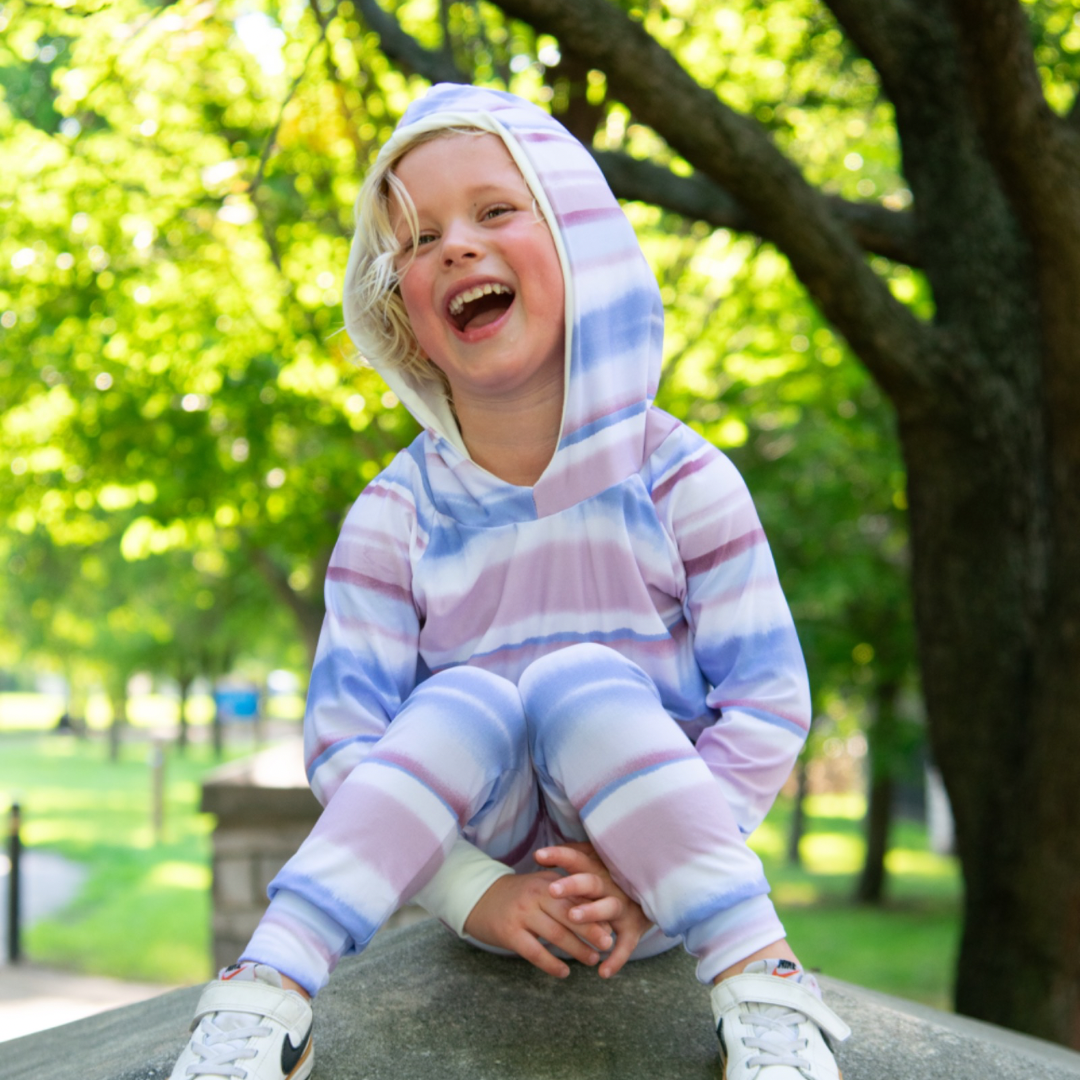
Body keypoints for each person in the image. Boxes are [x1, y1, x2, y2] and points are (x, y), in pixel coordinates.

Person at [169, 84, 850, 1080]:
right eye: (416, 238)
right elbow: (346, 739)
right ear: (400, 310)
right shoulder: (393, 518)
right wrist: (473, 892)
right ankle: (267, 991)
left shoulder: (682, 482)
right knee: (464, 701)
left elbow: (767, 700)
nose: (455, 246)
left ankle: (765, 979)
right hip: (481, 887)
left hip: (656, 881)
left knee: (581, 684)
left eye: (495, 211)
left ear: (579, 243)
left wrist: (643, 877)